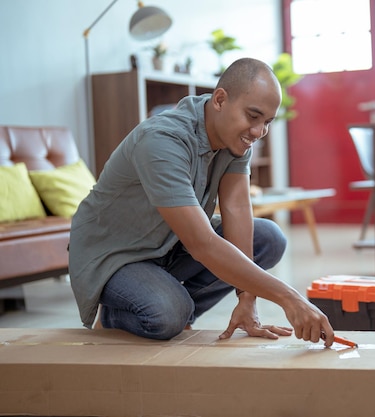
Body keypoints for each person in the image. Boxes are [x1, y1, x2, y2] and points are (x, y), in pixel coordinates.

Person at [69, 57, 335, 346]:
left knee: (269, 238)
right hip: (114, 255)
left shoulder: (234, 138)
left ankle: (165, 304)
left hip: (167, 244)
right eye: (253, 116)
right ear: (220, 100)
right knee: (168, 314)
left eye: (267, 122)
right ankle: (118, 316)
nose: (258, 132)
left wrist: (247, 300)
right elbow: (202, 243)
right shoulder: (161, 141)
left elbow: (237, 208)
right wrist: (289, 298)